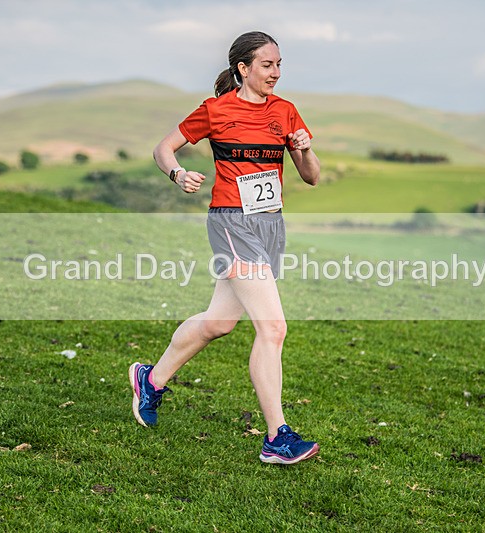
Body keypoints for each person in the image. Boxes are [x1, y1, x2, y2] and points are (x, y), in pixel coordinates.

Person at [130, 31, 321, 465]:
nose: (275, 72)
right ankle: (277, 437)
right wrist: (178, 174)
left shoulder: (286, 112)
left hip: (271, 224)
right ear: (243, 68)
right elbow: (165, 148)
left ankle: (151, 379)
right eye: (267, 65)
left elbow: (311, 176)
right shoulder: (216, 111)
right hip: (232, 224)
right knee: (273, 328)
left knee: (218, 323)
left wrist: (305, 151)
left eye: (279, 65)